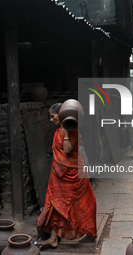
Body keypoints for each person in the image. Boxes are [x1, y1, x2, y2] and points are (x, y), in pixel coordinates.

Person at [36, 102, 97, 248]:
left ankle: (90, 233)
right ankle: (53, 239)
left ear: (62, 115)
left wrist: (67, 130)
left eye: (53, 116)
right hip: (58, 175)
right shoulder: (58, 131)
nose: (51, 120)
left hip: (75, 174)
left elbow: (68, 149)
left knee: (85, 203)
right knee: (54, 204)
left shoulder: (72, 130)